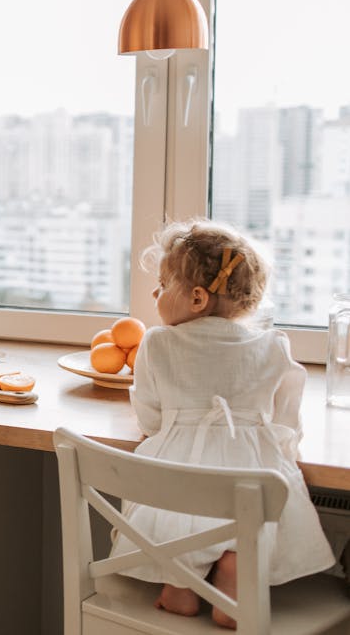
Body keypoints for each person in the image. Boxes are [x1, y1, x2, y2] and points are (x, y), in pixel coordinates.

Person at [111, 218, 334, 628]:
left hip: (181, 473)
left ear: (196, 298)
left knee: (176, 500)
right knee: (250, 505)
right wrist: (283, 450)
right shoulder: (272, 344)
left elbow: (151, 418)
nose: (154, 293)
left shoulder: (158, 343)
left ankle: (178, 587)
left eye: (162, 284)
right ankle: (234, 571)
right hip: (251, 469)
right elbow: (286, 419)